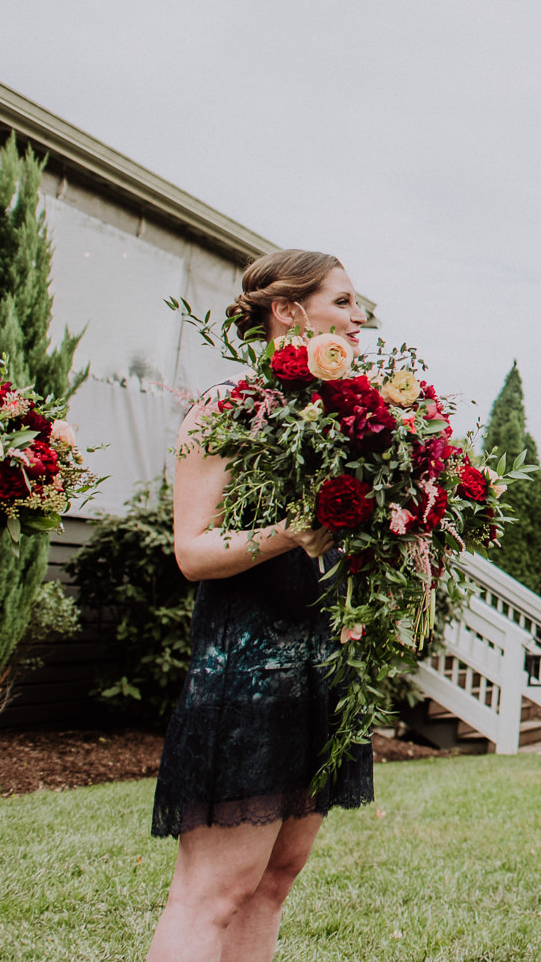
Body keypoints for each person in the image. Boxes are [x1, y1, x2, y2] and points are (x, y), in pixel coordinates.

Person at [147, 250, 375, 962]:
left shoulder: (346, 420)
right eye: (342, 301)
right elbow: (192, 550)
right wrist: (290, 532)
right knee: (211, 893)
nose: (358, 317)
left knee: (274, 881)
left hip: (322, 673)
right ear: (288, 310)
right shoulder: (227, 408)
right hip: (246, 676)